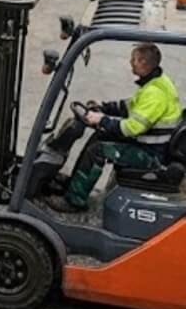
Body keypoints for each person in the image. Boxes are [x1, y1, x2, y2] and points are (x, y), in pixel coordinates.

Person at [48, 43, 183, 213]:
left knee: (98, 150)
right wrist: (104, 108)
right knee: (100, 135)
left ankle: (75, 201)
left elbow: (131, 128)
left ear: (143, 62)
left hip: (151, 154)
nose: (130, 62)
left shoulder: (155, 93)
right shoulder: (157, 82)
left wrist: (102, 119)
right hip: (146, 144)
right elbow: (131, 106)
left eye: (133, 59)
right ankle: (73, 185)